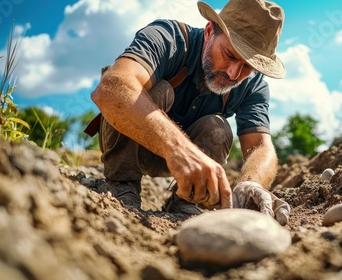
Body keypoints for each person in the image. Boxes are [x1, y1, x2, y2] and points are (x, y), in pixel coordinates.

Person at [88, 0, 290, 225]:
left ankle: (185, 201)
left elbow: (262, 146)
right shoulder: (168, 38)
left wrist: (251, 183)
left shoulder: (253, 85)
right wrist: (178, 149)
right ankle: (121, 186)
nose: (234, 74)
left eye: (247, 67)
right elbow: (112, 88)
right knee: (156, 90)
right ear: (209, 31)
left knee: (218, 127)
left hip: (187, 167)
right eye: (230, 55)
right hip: (133, 144)